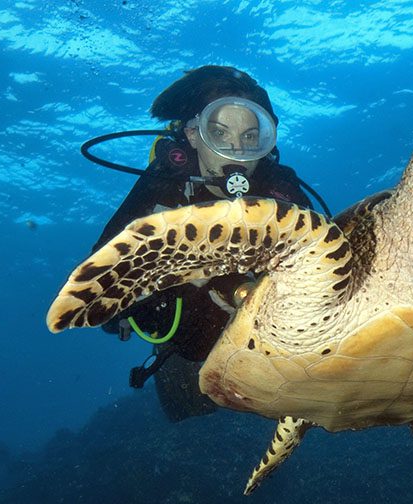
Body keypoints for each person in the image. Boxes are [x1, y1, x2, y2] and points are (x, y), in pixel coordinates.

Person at [84, 65, 323, 422]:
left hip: (273, 352)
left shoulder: (280, 189)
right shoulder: (166, 184)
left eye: (250, 137)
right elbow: (100, 280)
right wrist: (184, 275)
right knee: (190, 417)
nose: (237, 151)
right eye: (220, 134)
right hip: (186, 343)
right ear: (194, 134)